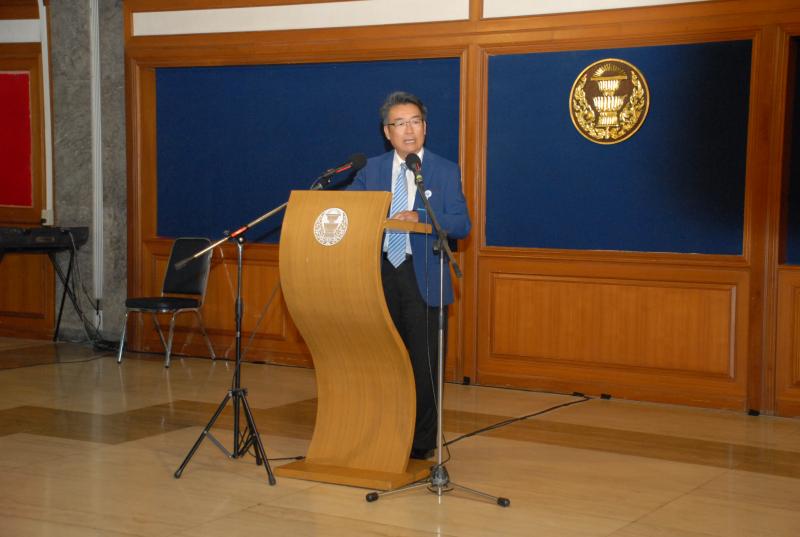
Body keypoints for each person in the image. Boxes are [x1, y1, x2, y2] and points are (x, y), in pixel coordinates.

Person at [348, 91, 471, 460]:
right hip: (380, 275)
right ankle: (383, 432)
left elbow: (461, 224)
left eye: (415, 121)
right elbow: (350, 212)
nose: (409, 130)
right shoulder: (370, 170)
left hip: (424, 277)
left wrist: (421, 217)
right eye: (400, 123)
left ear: (425, 128)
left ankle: (420, 444)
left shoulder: (445, 170)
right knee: (382, 359)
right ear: (387, 132)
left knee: (424, 365)